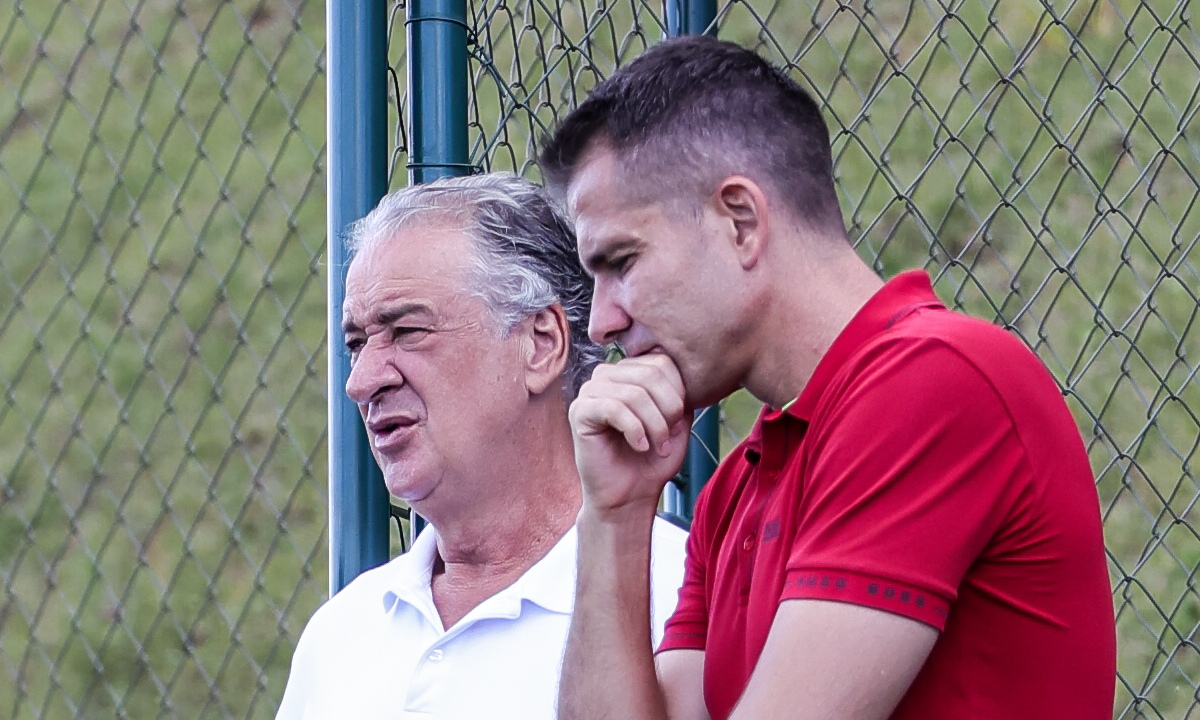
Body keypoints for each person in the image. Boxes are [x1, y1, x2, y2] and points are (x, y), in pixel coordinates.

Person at [539, 35, 1116, 720]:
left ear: (741, 221)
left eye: (621, 262)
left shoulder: (935, 381)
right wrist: (614, 515)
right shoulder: (735, 489)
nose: (601, 321)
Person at [275, 173, 688, 720]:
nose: (361, 380)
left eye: (407, 331)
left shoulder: (681, 596)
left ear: (540, 345)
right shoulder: (340, 634)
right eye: (356, 343)